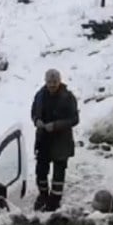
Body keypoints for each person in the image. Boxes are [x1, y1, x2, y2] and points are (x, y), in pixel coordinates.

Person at [31, 68, 80, 212]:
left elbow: (74, 119)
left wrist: (56, 125)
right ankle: (43, 195)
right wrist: (37, 120)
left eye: (55, 82)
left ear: (60, 81)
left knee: (58, 174)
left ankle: (54, 200)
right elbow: (33, 112)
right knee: (41, 171)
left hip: (61, 141)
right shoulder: (40, 95)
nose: (52, 85)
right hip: (43, 139)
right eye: (49, 82)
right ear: (45, 82)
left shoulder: (68, 97)